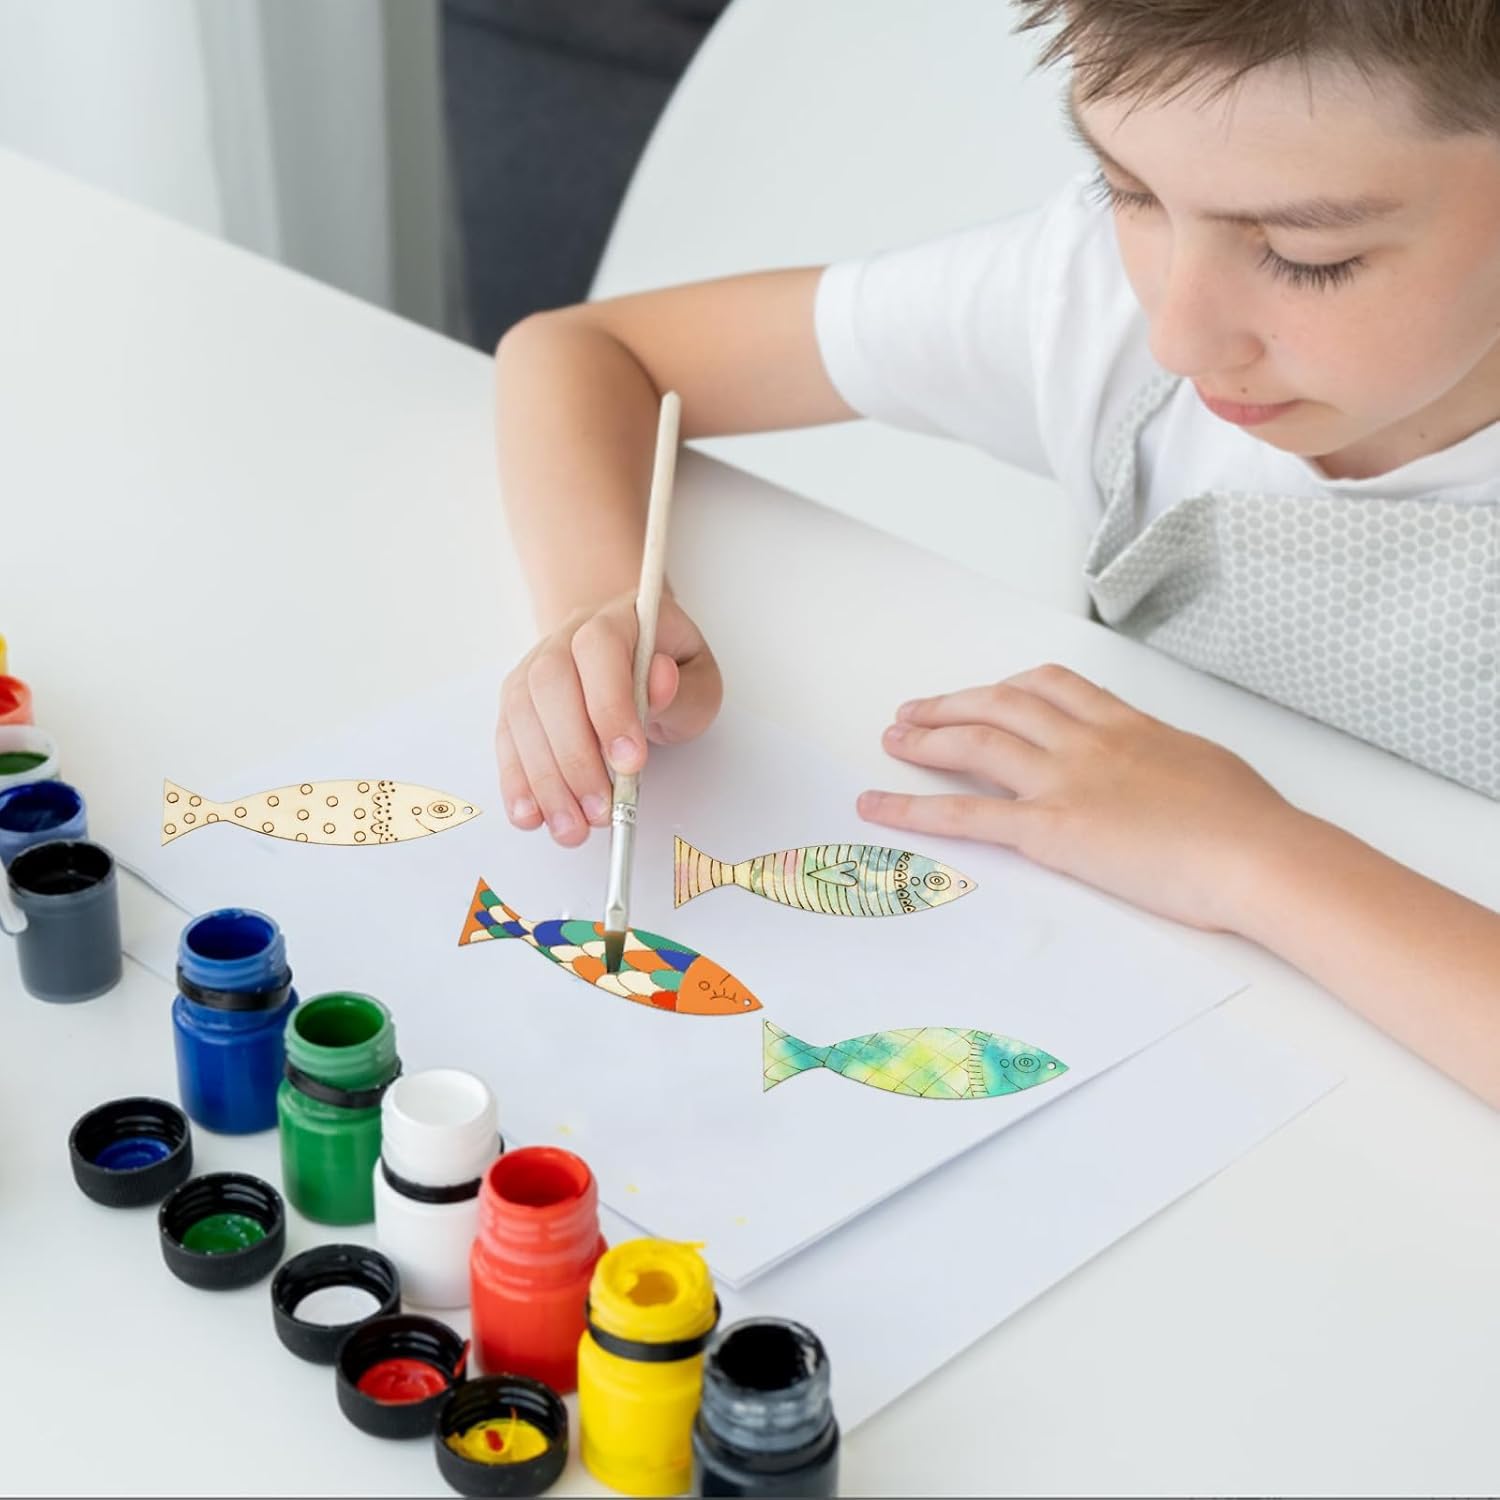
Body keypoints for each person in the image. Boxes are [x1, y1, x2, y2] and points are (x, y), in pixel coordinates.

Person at [488, 0, 1500, 1106]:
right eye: (1131, 191)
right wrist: (605, 608)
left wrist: (1251, 856)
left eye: (1309, 258)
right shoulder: (1092, 301)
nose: (1177, 335)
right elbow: (591, 352)